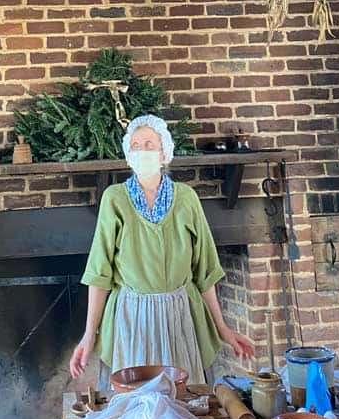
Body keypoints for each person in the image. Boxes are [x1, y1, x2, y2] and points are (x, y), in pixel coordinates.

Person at [69, 114, 255, 386]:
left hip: (178, 316)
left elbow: (205, 272)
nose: (141, 150)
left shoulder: (187, 198)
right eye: (135, 145)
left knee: (183, 398)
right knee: (135, 401)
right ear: (127, 155)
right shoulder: (114, 199)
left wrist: (222, 328)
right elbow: (99, 275)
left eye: (149, 144)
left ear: (164, 153)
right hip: (131, 319)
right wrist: (89, 335)